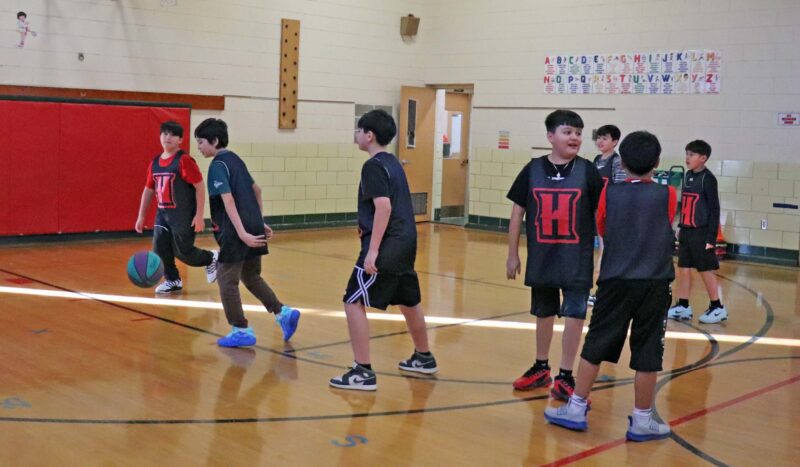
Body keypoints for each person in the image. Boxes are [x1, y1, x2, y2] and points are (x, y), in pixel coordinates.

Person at [544, 130, 677, 442]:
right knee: (648, 351)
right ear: (657, 162)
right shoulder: (669, 195)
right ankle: (642, 419)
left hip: (615, 280)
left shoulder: (609, 193)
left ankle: (576, 408)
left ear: (623, 163)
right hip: (655, 283)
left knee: (596, 346)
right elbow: (666, 223)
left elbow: (603, 228)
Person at [329, 109, 437, 391]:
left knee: (352, 301)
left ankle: (362, 371)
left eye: (358, 130)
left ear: (369, 135)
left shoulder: (373, 166)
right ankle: (424, 357)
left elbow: (384, 207)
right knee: (408, 300)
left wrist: (372, 251)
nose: (356, 135)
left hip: (388, 244)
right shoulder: (393, 163)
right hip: (406, 242)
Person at [506, 109, 603, 401]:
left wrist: (604, 258)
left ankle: (565, 374)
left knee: (574, 314)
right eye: (567, 132)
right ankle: (541, 366)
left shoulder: (588, 171)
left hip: (577, 258)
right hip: (543, 256)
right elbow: (517, 212)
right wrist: (512, 253)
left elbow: (602, 217)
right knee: (543, 312)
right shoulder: (532, 168)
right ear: (551, 137)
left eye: (578, 133)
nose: (574, 137)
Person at [194, 118, 300, 346]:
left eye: (201, 142)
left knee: (226, 280)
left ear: (214, 141)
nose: (199, 147)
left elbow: (229, 200)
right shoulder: (236, 160)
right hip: (252, 224)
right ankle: (283, 313)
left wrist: (241, 232)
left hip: (236, 231)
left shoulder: (217, 166)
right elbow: (257, 190)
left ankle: (240, 330)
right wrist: (257, 222)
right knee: (251, 275)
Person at [135, 120, 218, 294]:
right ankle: (172, 280)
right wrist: (141, 216)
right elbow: (148, 189)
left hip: (183, 215)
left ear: (180, 140)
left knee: (183, 252)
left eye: (173, 134)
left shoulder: (184, 160)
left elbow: (199, 186)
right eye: (164, 133)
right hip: (163, 214)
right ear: (160, 137)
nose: (168, 137)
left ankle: (210, 258)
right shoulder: (155, 163)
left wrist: (199, 215)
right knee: (159, 248)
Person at [667, 140, 727, 324]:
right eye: (687, 154)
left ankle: (717, 307)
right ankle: (683, 306)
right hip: (686, 230)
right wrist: (679, 226)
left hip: (701, 233)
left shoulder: (708, 179)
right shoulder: (687, 177)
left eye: (691, 155)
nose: (687, 158)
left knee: (705, 270)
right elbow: (684, 205)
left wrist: (711, 237)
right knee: (683, 269)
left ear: (703, 158)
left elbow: (714, 209)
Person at [588, 124, 626, 307]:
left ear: (615, 142)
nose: (600, 141)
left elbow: (619, 189)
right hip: (595, 211)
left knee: (604, 251)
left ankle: (600, 291)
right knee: (595, 251)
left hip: (608, 212)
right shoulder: (596, 160)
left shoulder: (617, 162)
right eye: (599, 137)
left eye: (605, 138)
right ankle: (596, 290)